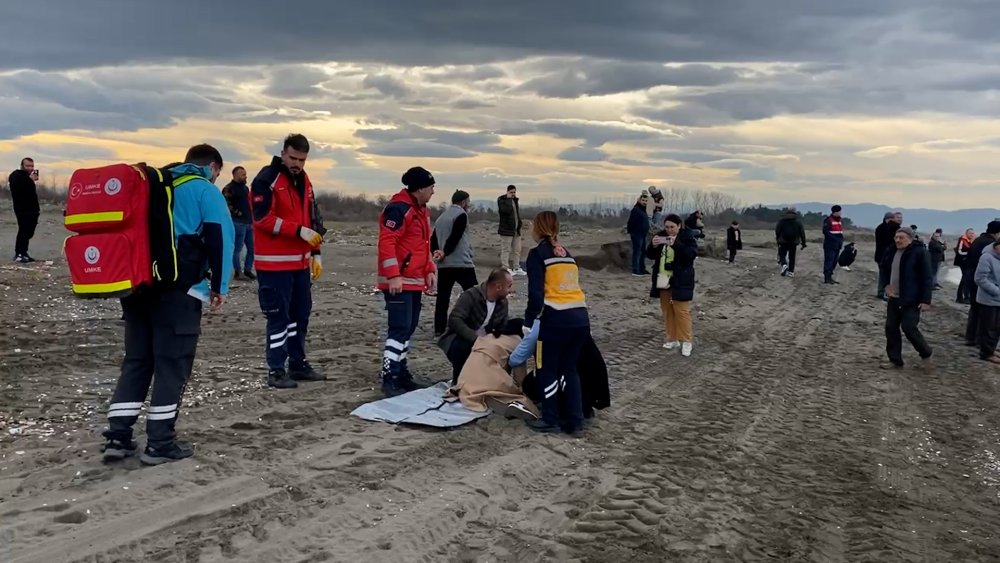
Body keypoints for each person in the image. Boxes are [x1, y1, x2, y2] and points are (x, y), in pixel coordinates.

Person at [100, 144, 235, 465]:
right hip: (180, 291)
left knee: (136, 361)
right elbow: (220, 238)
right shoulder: (204, 190)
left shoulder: (151, 186)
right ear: (214, 168)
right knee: (171, 366)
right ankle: (159, 443)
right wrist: (220, 286)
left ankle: (117, 437)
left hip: (136, 288)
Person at [251, 134, 326, 389]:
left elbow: (312, 217)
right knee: (278, 318)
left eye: (302, 160)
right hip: (273, 265)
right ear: (283, 153)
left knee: (300, 317)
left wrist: (315, 251)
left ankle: (297, 363)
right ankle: (275, 369)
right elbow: (261, 219)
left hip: (299, 264)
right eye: (293, 158)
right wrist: (298, 231)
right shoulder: (266, 179)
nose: (297, 164)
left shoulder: (304, 180)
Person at [523, 211, 590, 434]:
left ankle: (550, 418)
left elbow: (535, 294)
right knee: (569, 370)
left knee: (546, 369)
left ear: (538, 229)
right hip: (580, 318)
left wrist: (529, 320)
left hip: (555, 320)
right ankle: (576, 419)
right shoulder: (567, 254)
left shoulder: (537, 255)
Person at [377, 166, 438, 397]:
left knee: (408, 328)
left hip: (414, 281)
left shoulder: (421, 210)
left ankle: (401, 372)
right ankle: (390, 376)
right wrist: (393, 275)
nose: (433, 192)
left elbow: (424, 244)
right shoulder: (399, 209)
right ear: (420, 188)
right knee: (399, 329)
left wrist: (430, 269)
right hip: (399, 282)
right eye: (431, 187)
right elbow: (387, 242)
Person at [437, 269, 512, 384]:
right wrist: (475, 339)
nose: (509, 291)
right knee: (462, 346)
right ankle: (459, 383)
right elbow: (455, 320)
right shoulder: (471, 295)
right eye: (509, 286)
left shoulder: (502, 302)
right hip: (461, 338)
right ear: (498, 287)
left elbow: (503, 324)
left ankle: (499, 382)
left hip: (487, 338)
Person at [878, 227, 933, 371]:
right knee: (891, 328)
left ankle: (925, 353)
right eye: (896, 237)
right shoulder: (891, 250)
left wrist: (926, 300)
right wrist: (886, 285)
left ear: (910, 238)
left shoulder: (920, 252)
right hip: (893, 298)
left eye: (901, 237)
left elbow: (927, 278)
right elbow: (883, 269)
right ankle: (895, 361)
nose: (897, 240)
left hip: (912, 299)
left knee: (909, 328)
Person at [647, 214, 698, 356]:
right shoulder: (660, 235)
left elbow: (690, 256)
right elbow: (650, 255)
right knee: (667, 310)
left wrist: (675, 244)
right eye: (667, 227)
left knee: (681, 311)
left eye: (672, 227)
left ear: (679, 226)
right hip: (663, 278)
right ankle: (672, 338)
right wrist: (653, 245)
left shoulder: (687, 237)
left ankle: (686, 341)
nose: (669, 230)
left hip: (681, 279)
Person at [431, 190, 479, 336]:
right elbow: (455, 236)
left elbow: (433, 238)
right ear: (463, 202)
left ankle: (439, 329)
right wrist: (445, 251)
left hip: (444, 265)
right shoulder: (461, 215)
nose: (469, 204)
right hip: (461, 263)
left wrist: (436, 252)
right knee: (476, 295)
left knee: (442, 298)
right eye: (468, 201)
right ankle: (477, 324)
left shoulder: (441, 218)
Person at [964, 222, 1000, 347]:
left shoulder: (979, 239)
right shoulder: (989, 245)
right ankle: (980, 342)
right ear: (997, 233)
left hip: (970, 275)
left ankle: (970, 337)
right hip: (979, 278)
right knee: (984, 313)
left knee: (975, 308)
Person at [222, 166, 255, 280]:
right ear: (236, 175)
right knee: (237, 248)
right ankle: (238, 272)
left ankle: (248, 270)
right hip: (238, 223)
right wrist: (237, 213)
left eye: (245, 174)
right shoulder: (228, 188)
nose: (245, 177)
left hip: (249, 222)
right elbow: (226, 204)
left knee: (252, 248)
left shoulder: (246, 189)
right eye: (243, 175)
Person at [8, 157, 40, 263]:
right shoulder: (16, 176)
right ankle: (19, 254)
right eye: (28, 166)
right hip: (22, 209)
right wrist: (30, 180)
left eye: (32, 166)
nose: (30, 168)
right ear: (22, 165)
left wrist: (31, 181)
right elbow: (19, 186)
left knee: (29, 232)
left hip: (33, 209)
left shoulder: (28, 177)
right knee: (23, 231)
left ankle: (24, 253)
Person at [973, 240, 1000, 364]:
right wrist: (997, 291)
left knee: (997, 328)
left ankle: (991, 349)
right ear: (996, 246)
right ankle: (986, 353)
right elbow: (980, 279)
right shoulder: (986, 257)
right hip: (988, 299)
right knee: (989, 327)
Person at [497, 185, 525, 275]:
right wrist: (508, 200)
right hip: (506, 230)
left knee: (517, 249)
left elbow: (516, 214)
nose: (513, 194)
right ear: (507, 192)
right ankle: (505, 268)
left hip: (516, 230)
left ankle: (516, 267)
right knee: (506, 249)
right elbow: (506, 211)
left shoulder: (515, 200)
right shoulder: (502, 200)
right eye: (511, 192)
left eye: (514, 192)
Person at [874, 211, 902, 299]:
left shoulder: (879, 227)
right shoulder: (893, 228)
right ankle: (885, 293)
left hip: (880, 254)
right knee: (887, 275)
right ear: (891, 218)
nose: (900, 220)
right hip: (886, 255)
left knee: (883, 274)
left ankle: (881, 292)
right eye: (898, 218)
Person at [775, 207, 806, 277]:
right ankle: (791, 272)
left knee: (782, 254)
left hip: (783, 241)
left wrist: (778, 238)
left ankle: (784, 264)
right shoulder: (798, 222)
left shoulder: (782, 221)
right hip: (793, 242)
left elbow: (777, 230)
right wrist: (803, 243)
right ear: (795, 212)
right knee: (792, 257)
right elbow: (802, 233)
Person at [627, 191, 651, 276]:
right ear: (639, 200)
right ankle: (635, 270)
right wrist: (631, 231)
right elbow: (630, 222)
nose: (644, 202)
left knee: (643, 252)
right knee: (637, 252)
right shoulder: (636, 209)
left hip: (643, 234)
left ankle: (642, 268)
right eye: (643, 200)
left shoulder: (643, 210)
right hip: (637, 234)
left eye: (645, 200)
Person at [822, 205, 845, 284]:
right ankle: (827, 278)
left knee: (834, 261)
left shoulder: (839, 220)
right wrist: (835, 239)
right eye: (839, 211)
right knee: (829, 261)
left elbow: (839, 232)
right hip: (830, 245)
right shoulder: (828, 220)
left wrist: (840, 240)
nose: (840, 213)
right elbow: (825, 231)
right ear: (835, 212)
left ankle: (830, 277)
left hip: (837, 245)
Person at [955, 228, 976, 304]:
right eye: (970, 233)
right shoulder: (962, 240)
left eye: (972, 233)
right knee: (966, 279)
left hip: (967, 262)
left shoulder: (970, 241)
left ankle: (960, 297)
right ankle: (966, 297)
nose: (971, 234)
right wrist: (968, 254)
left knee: (964, 280)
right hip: (963, 262)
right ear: (966, 233)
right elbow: (959, 251)